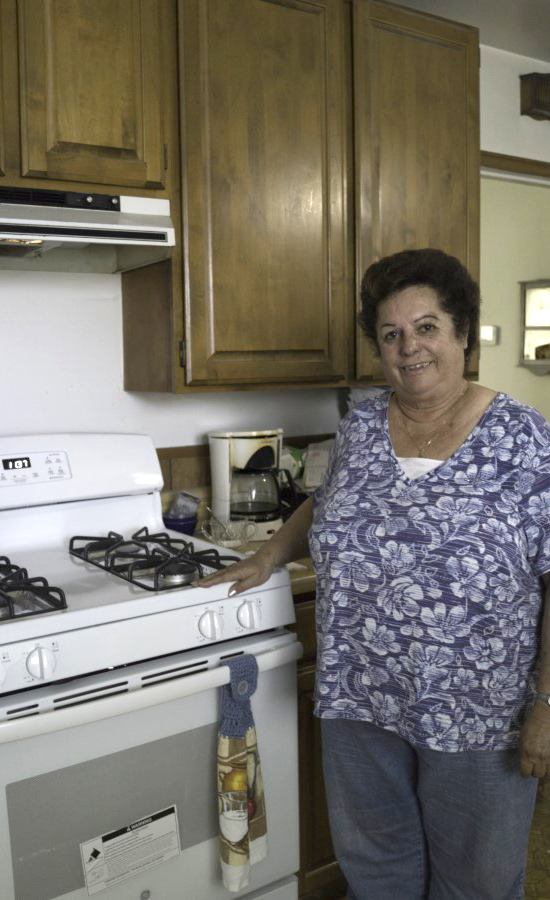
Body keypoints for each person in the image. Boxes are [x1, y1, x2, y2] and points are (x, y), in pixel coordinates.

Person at [199, 248, 550, 900]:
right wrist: (270, 553)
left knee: (474, 882)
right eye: (391, 334)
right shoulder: (361, 424)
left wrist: (548, 709)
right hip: (359, 696)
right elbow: (322, 498)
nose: (408, 347)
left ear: (462, 335)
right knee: (378, 871)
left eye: (426, 327)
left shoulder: (525, 439)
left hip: (475, 714)